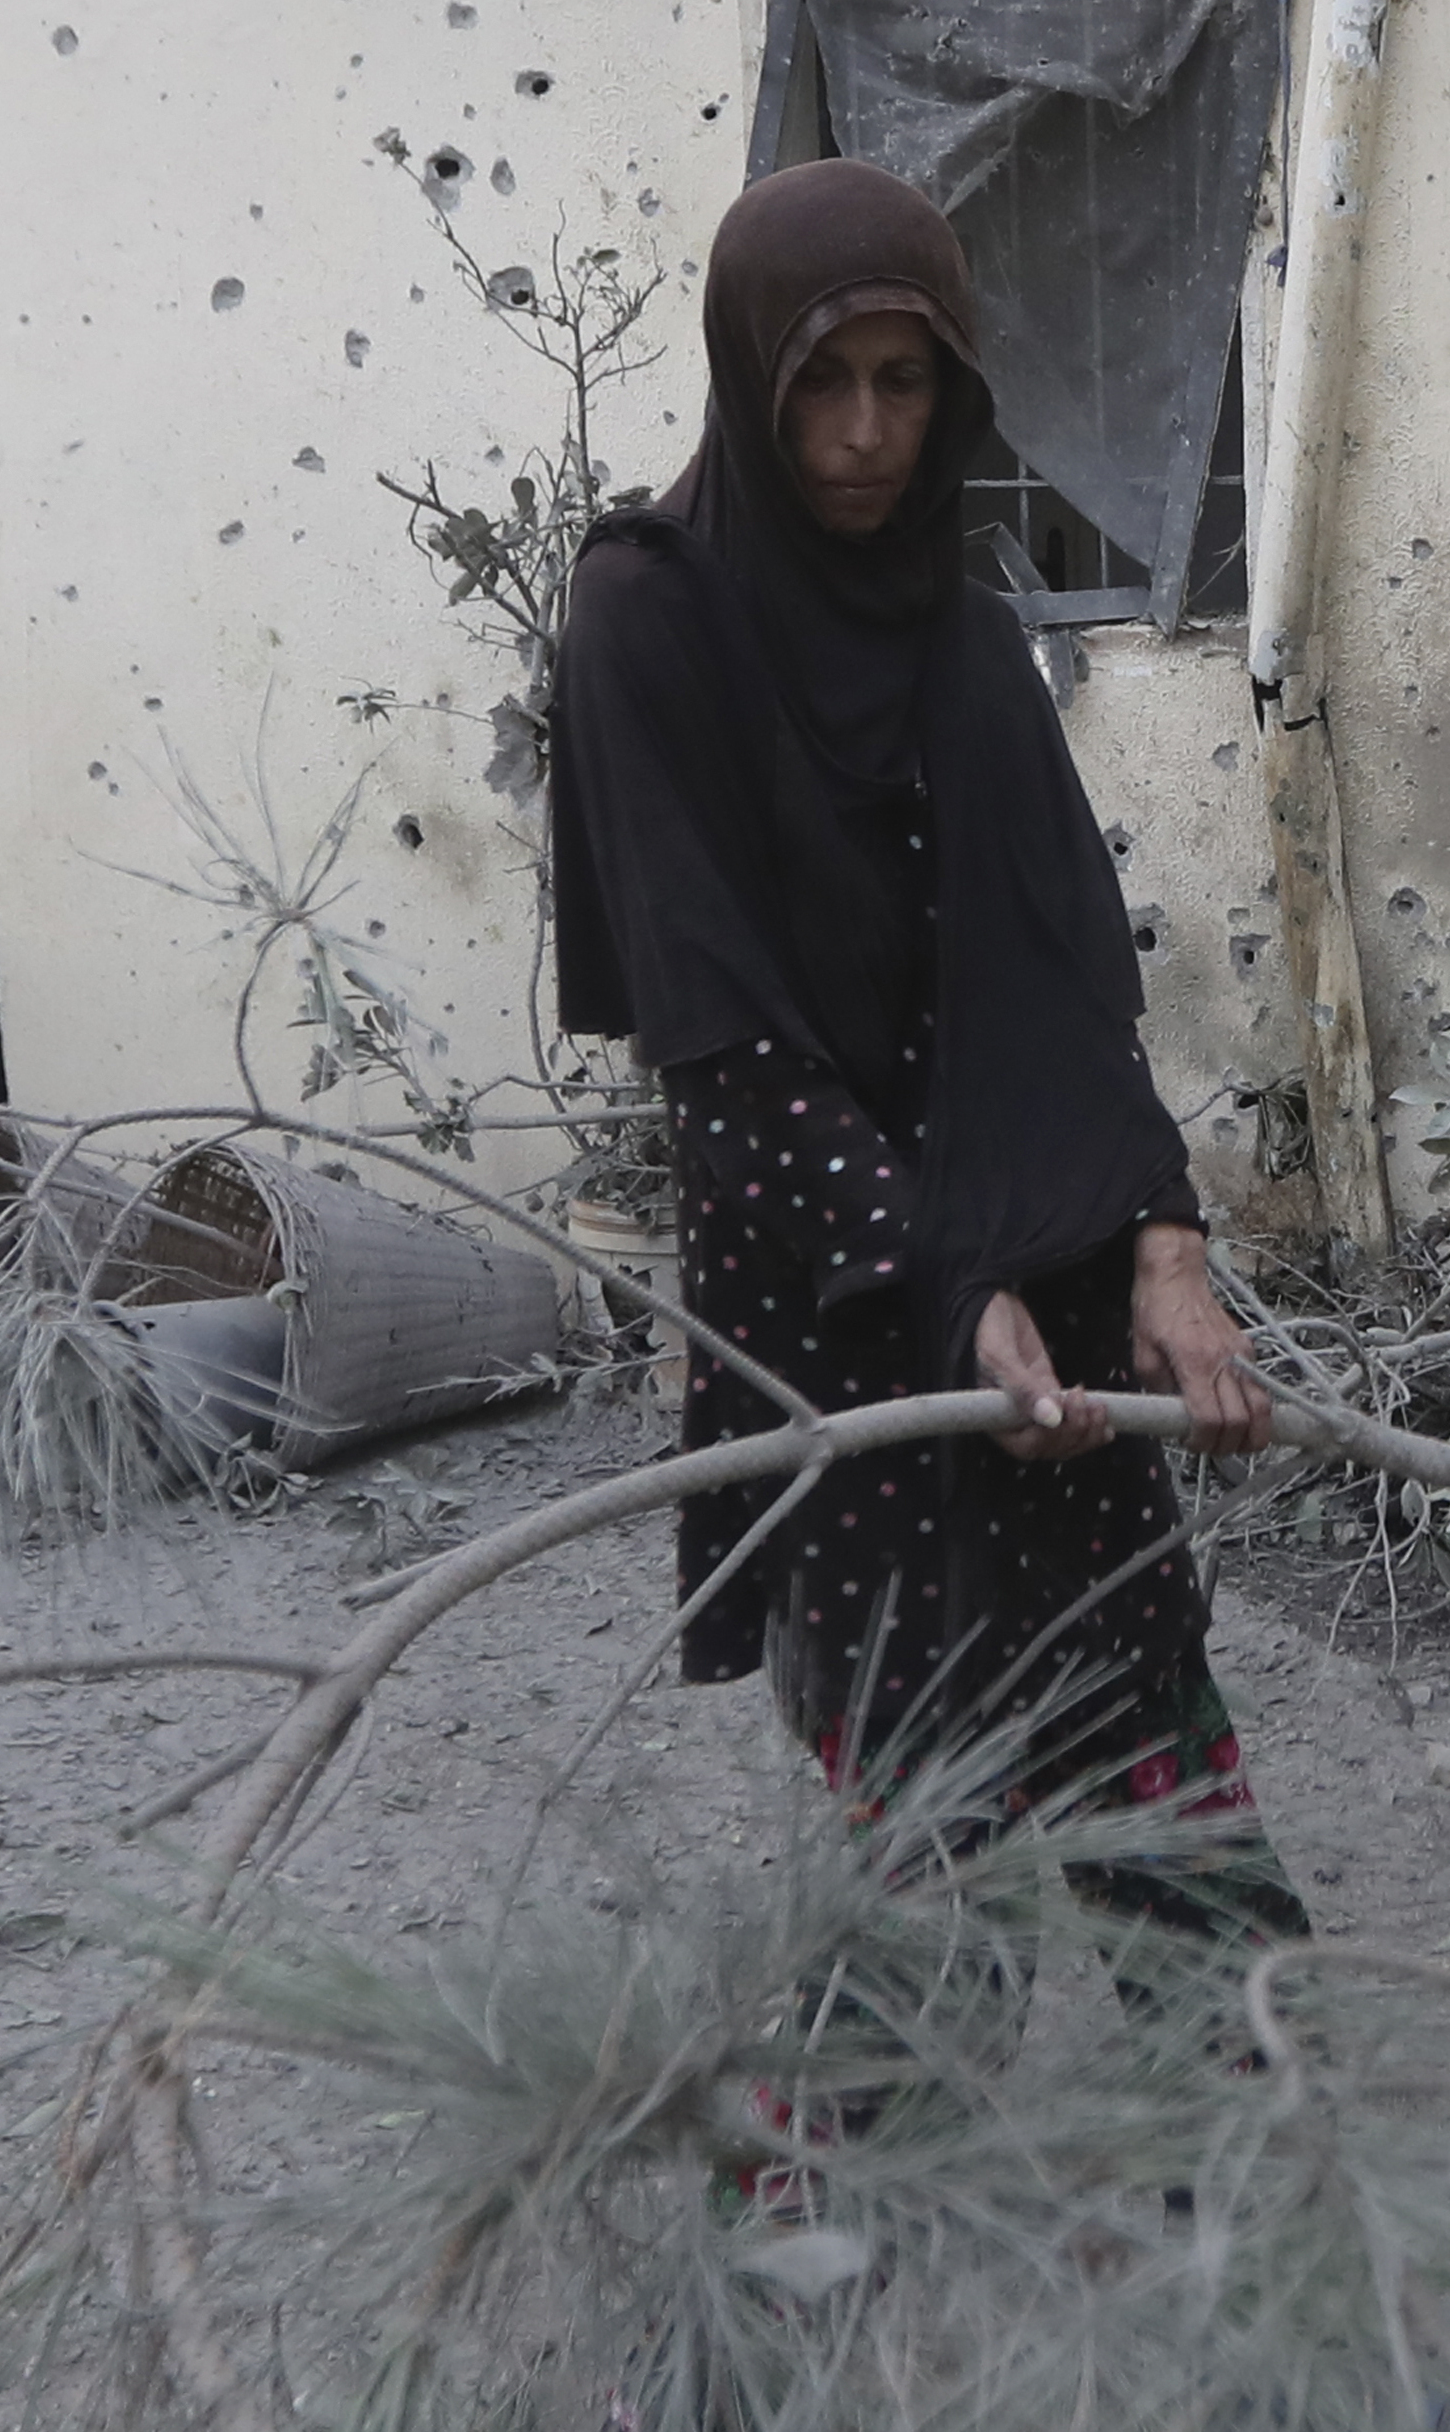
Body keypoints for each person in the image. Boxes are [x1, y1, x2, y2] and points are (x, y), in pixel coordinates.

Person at [547, 156, 1307, 1965]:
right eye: (821, 383)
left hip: (1034, 1242)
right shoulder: (652, 622)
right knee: (925, 1839)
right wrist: (929, 1292)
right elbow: (722, 1051)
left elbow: (1066, 989)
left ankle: (1248, 2185)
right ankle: (831, 2230)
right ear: (749, 378)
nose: (864, 436)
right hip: (832, 1281)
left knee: (1156, 1762)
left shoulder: (964, 638)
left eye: (907, 384)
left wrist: (1168, 1252)